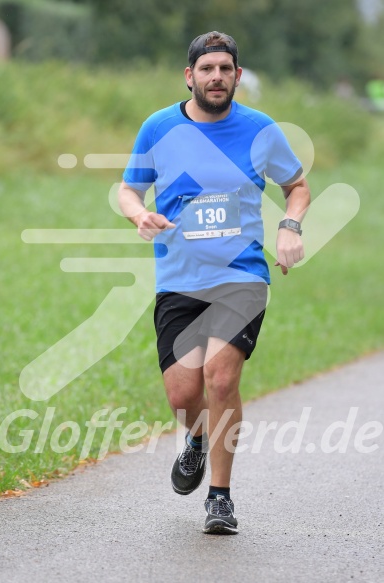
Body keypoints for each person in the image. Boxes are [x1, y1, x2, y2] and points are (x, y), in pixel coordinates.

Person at [118, 31, 310, 535]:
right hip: (179, 278)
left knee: (221, 378)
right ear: (190, 76)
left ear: (237, 76)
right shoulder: (158, 127)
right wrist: (140, 215)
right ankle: (196, 440)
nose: (217, 77)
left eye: (225, 69)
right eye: (207, 70)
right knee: (184, 395)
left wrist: (290, 226)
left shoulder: (260, 129)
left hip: (241, 275)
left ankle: (220, 498)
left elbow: (297, 187)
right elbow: (129, 189)